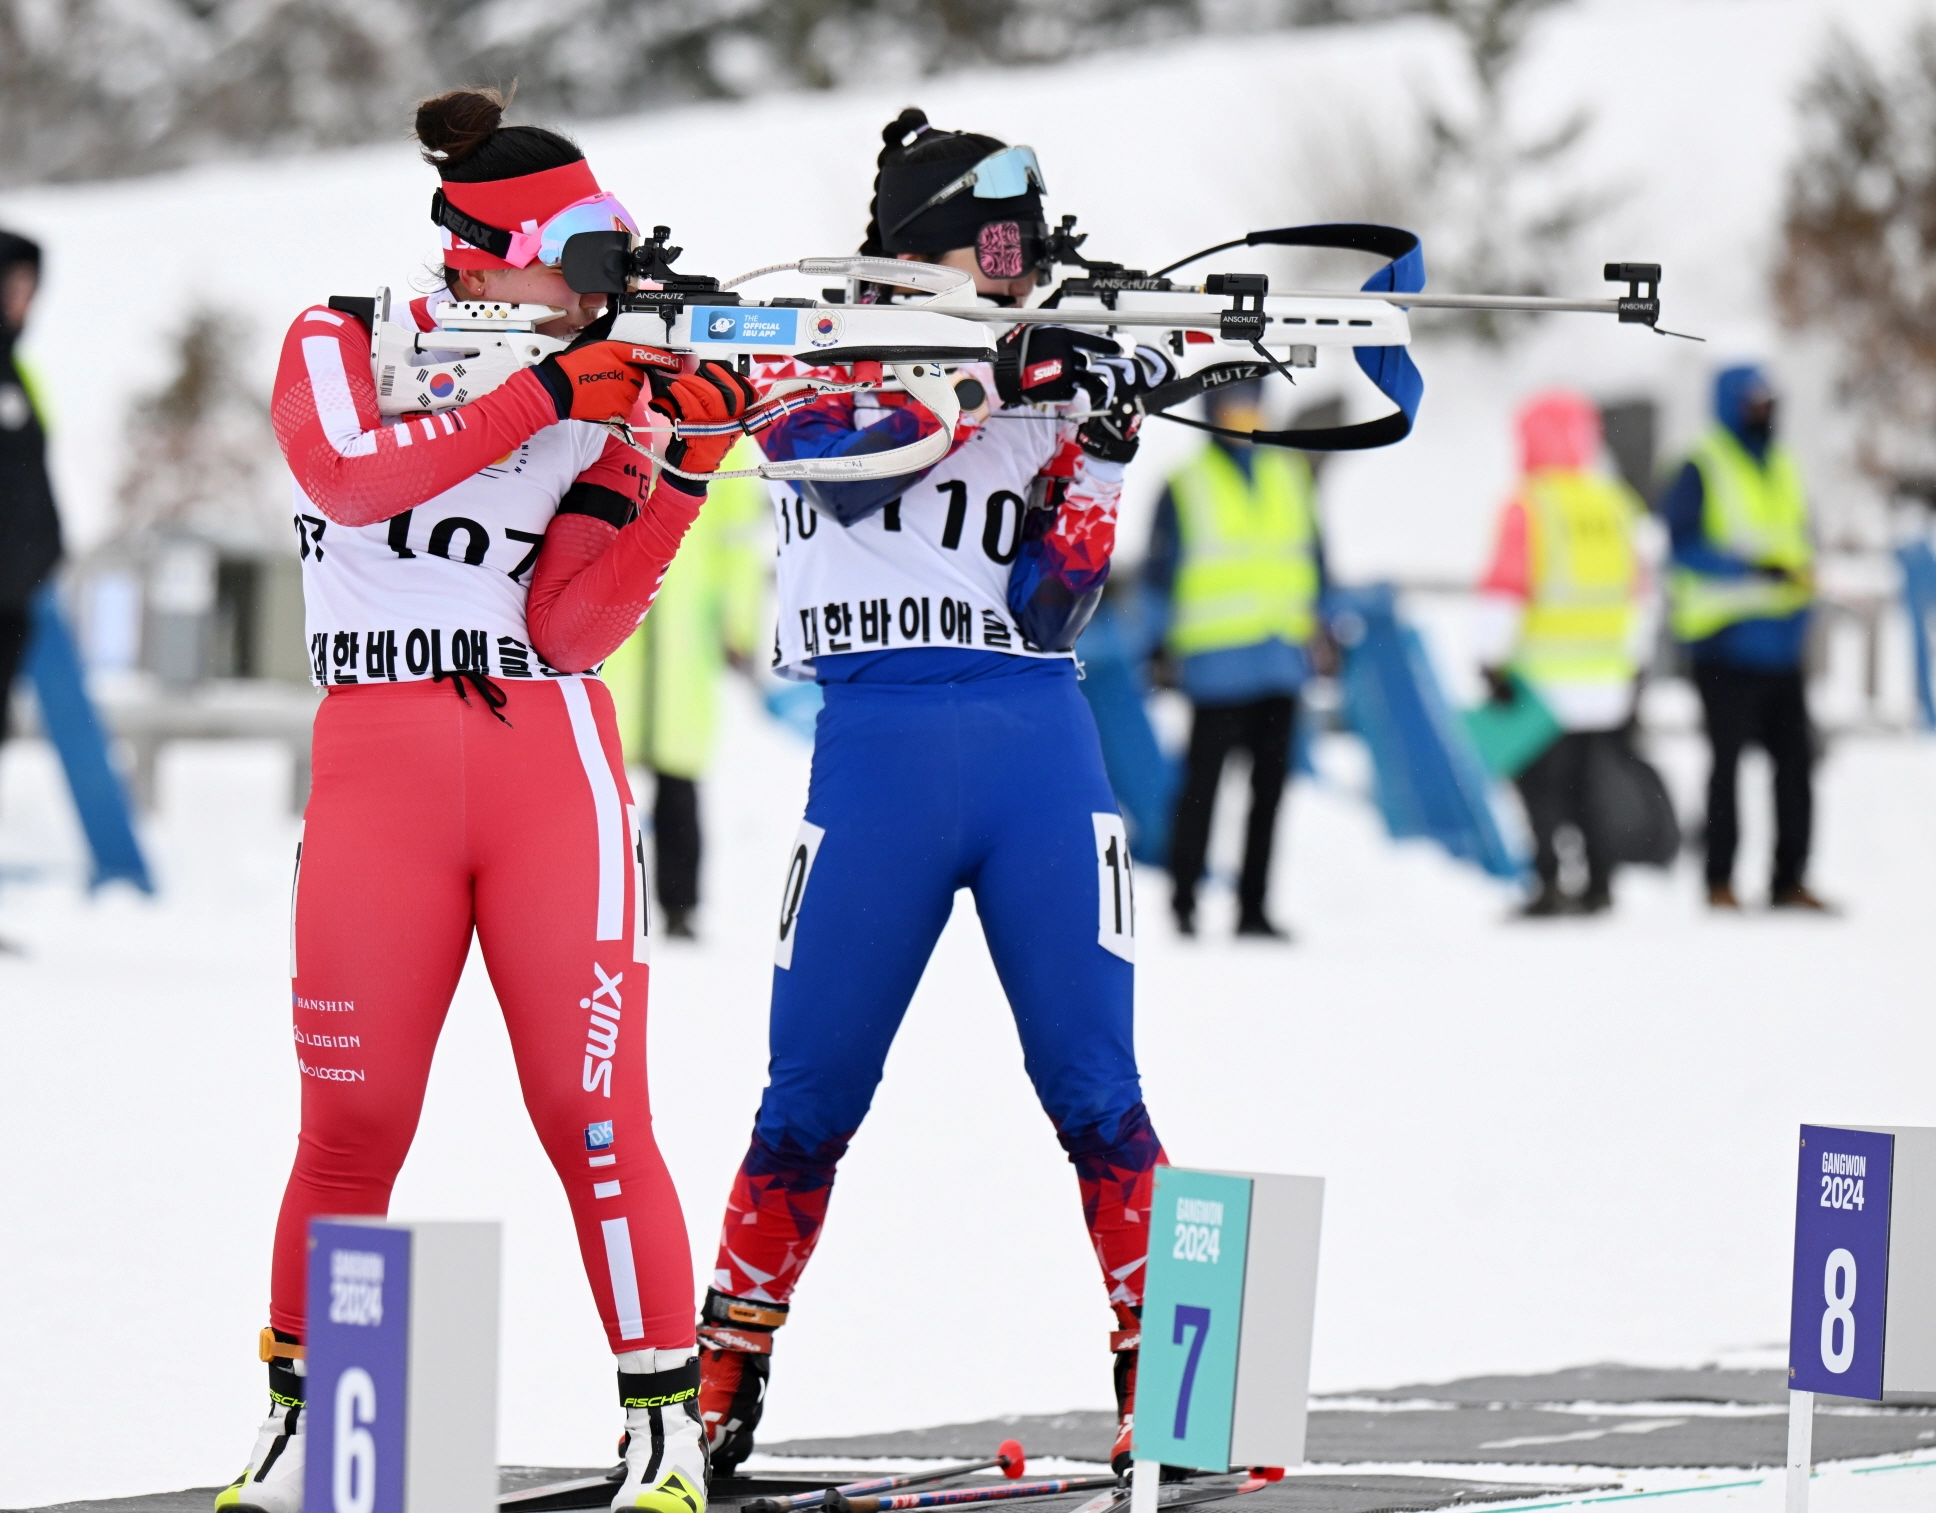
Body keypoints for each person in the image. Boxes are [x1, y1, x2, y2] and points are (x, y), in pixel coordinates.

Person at [219, 87, 758, 1513]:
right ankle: (300, 1426)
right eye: (577, 264)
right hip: (377, 770)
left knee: (593, 1113)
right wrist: (542, 397)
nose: (596, 297)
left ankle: (666, 1436)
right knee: (351, 1121)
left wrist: (682, 462)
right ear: (487, 247)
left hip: (544, 766)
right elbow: (341, 475)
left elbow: (576, 624)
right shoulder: (338, 339)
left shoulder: (601, 386)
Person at [694, 108, 1172, 1480]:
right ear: (931, 244)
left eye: (1033, 249)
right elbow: (833, 465)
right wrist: (993, 373)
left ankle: (1173, 1387)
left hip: (1035, 740)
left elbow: (1059, 598)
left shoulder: (1041, 363)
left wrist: (1102, 448)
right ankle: (720, 1377)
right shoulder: (805, 340)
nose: (1025, 270)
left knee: (1097, 1083)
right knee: (811, 1089)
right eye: (1002, 245)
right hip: (878, 749)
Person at [1145, 379, 1325, 940]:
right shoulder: (1184, 485)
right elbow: (1159, 576)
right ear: (1213, 410)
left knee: (1267, 796)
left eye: (1253, 401)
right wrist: (1156, 646)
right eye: (1234, 402)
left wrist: (1324, 632)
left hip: (1279, 660)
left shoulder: (1288, 476)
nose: (1245, 413)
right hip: (1216, 666)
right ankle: (1184, 902)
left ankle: (1253, 907)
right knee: (1201, 791)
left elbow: (1316, 563)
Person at [1474, 391, 1651, 916]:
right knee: (1593, 787)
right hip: (1605, 677)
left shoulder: (1529, 505)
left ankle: (1549, 881)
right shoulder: (1615, 505)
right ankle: (1600, 881)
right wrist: (1633, 662)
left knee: (1542, 788)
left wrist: (1490, 659)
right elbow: (1640, 592)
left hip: (1544, 680)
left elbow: (1506, 590)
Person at [1660, 365, 1828, 911]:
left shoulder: (1783, 466)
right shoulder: (1701, 465)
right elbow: (1682, 546)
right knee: (1725, 768)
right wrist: (1752, 571)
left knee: (1797, 767)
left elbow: (1801, 544)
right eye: (1755, 402)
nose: (1765, 412)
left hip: (1780, 646)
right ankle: (1720, 880)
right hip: (1724, 645)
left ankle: (1789, 880)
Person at [602, 451, 767, 938]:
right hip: (617, 630)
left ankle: (679, 906)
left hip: (683, 630)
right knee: (603, 784)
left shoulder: (723, 439)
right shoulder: (615, 418)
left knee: (678, 780)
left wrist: (740, 625)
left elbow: (737, 542)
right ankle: (605, 902)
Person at [0, 229, 61, 754]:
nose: (25, 299)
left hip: (14, 603)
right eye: (12, 283)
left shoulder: (18, 372)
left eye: (31, 284)